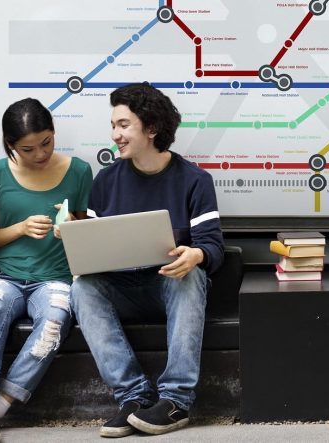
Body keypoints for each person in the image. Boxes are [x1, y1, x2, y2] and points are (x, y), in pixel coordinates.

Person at [69, 83, 223, 438]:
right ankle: (134, 397)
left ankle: (175, 401)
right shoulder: (105, 181)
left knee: (192, 275)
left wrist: (196, 254)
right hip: (120, 287)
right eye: (113, 126)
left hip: (169, 284)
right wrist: (76, 239)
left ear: (151, 128)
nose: (115, 135)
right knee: (82, 288)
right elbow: (93, 249)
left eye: (123, 125)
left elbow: (213, 246)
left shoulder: (195, 181)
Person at [0, 98, 93, 442]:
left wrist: (70, 225)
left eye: (47, 142)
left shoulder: (80, 171)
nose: (40, 154)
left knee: (53, 324)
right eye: (28, 148)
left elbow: (86, 239)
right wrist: (21, 228)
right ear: (10, 144)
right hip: (5, 275)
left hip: (56, 277)